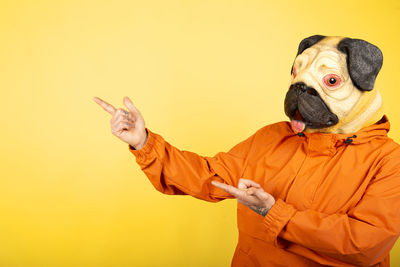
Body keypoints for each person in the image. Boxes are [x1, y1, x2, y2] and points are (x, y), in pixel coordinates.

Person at [94, 35, 400, 266]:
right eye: (297, 77)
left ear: (364, 83)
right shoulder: (273, 137)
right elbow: (209, 177)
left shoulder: (389, 160)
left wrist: (273, 212)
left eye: (330, 81)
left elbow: (367, 243)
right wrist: (143, 141)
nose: (300, 90)